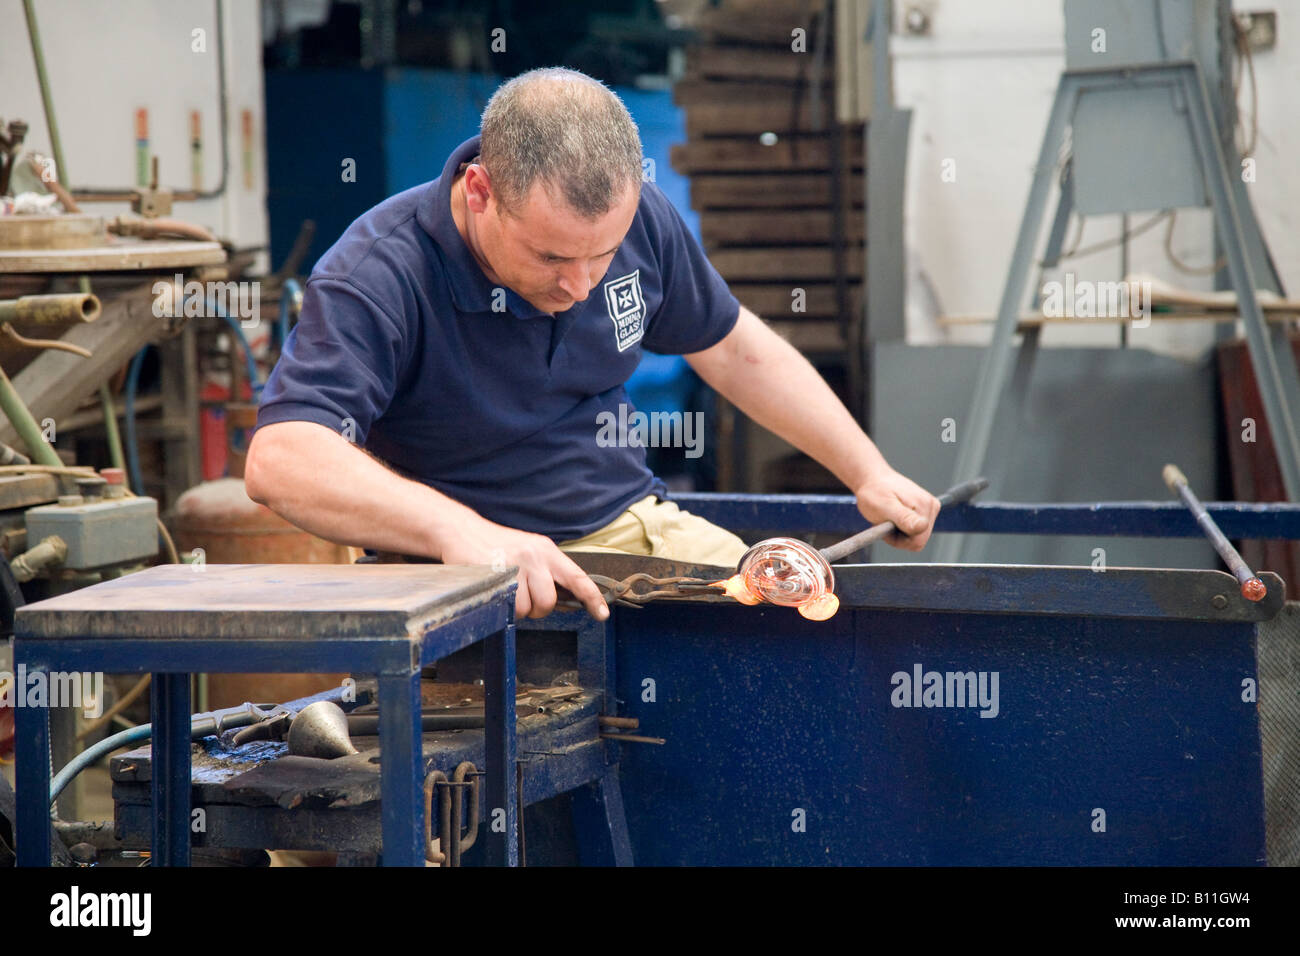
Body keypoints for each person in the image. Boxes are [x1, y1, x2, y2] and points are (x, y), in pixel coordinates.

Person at [245, 67, 940, 623]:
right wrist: (465, 535)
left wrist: (866, 472)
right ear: (481, 190)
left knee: (787, 635)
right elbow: (283, 459)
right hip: (459, 575)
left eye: (602, 255)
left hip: (626, 530)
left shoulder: (638, 217)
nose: (580, 286)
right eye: (551, 257)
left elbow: (730, 347)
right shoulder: (378, 274)